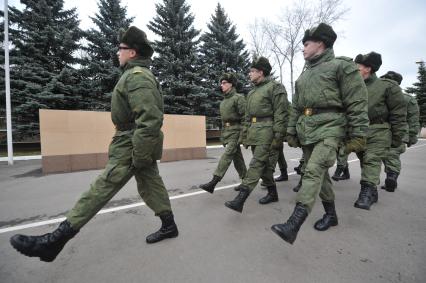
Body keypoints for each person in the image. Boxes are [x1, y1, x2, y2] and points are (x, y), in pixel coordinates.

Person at [10, 26, 178, 262]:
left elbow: (150, 120)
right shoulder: (133, 75)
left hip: (132, 142)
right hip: (133, 140)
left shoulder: (137, 77)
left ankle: (54, 240)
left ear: (132, 52)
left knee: (102, 187)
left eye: (120, 48)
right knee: (151, 184)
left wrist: (139, 154)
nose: (117, 52)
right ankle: (169, 226)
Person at [271, 23, 369, 244]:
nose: (303, 48)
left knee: (313, 171)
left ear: (320, 43)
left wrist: (358, 134)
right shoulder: (304, 76)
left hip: (331, 128)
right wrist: (291, 131)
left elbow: (357, 101)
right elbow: (295, 107)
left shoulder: (341, 67)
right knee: (321, 177)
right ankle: (331, 215)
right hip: (308, 131)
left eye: (306, 44)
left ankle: (293, 223)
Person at [224, 56, 289, 212]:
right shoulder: (252, 93)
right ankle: (273, 193)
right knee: (265, 167)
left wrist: (278, 136)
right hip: (255, 133)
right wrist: (245, 135)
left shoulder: (275, 87)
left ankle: (240, 200)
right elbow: (247, 117)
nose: (249, 74)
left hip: (267, 132)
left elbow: (281, 114)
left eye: (252, 71)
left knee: (256, 164)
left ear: (261, 72)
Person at [353, 53, 407, 209]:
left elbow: (398, 113)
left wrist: (397, 137)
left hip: (380, 130)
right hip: (360, 132)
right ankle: (373, 191)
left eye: (358, 67)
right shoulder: (354, 87)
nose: (354, 70)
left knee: (371, 159)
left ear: (368, 68)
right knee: (366, 162)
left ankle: (366, 193)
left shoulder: (387, 86)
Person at [199, 73, 247, 193]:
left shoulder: (238, 98)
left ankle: (213, 182)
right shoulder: (223, 102)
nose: (222, 85)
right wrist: (223, 135)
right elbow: (224, 122)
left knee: (227, 156)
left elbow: (245, 117)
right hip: (228, 132)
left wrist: (243, 134)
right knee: (237, 159)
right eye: (221, 83)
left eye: (224, 83)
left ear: (231, 84)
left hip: (236, 131)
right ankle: (246, 182)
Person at [380, 71, 420, 192]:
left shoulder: (379, 96)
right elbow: (413, 120)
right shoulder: (408, 99)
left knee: (385, 155)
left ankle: (389, 176)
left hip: (382, 131)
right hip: (400, 132)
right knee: (392, 155)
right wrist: (412, 137)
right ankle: (392, 175)